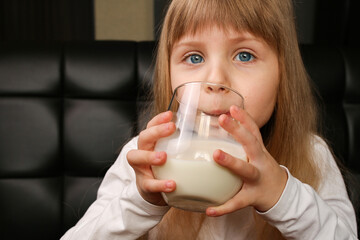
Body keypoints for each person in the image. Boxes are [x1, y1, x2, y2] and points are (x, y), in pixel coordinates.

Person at [61, 0, 358, 239]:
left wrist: (283, 195)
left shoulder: (311, 154)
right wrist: (141, 202)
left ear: (283, 78)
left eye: (244, 56)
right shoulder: (144, 159)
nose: (215, 80)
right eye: (194, 58)